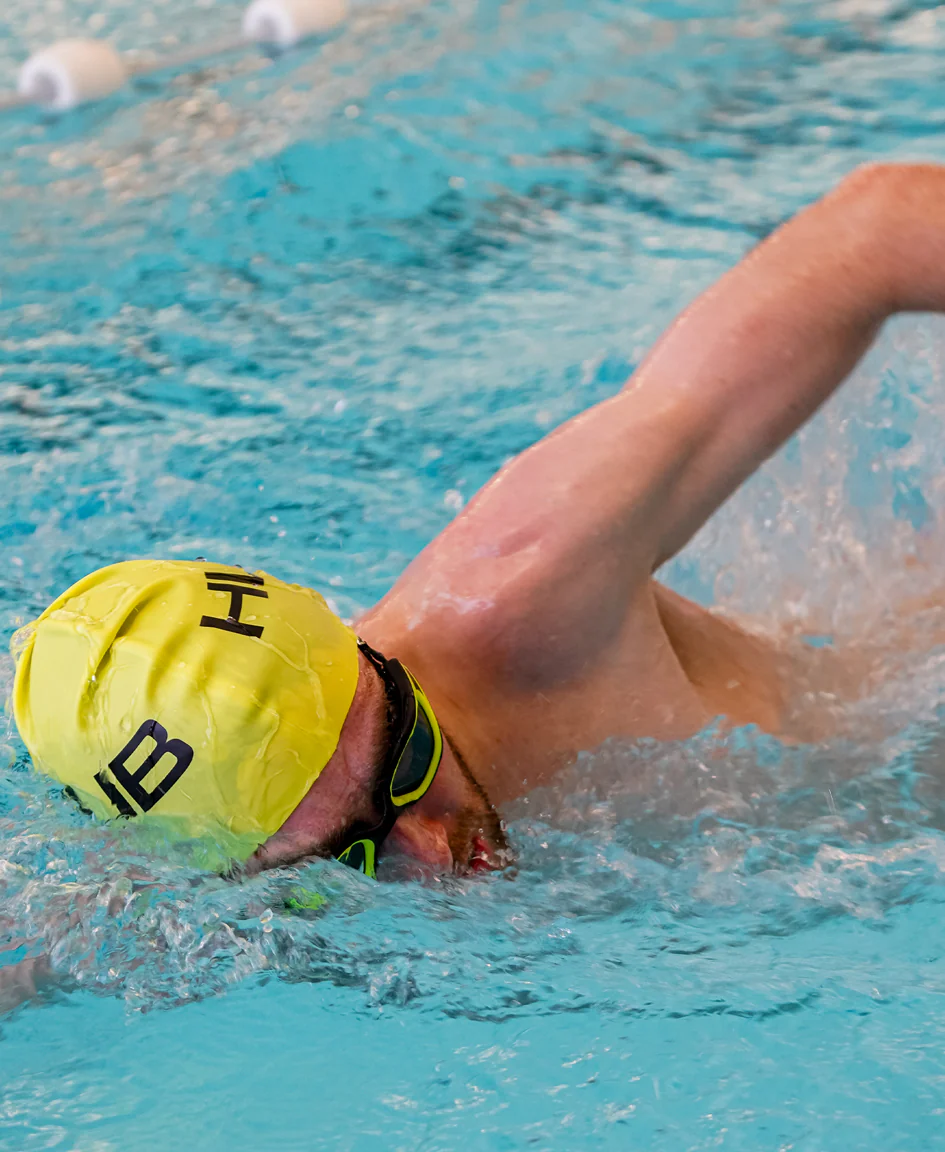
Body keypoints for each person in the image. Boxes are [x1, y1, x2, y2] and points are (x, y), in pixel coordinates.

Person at [12, 161, 945, 882]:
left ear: (361, 656)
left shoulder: (531, 582)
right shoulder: (199, 882)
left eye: (409, 757)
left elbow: (872, 226)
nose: (431, 843)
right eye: (349, 858)